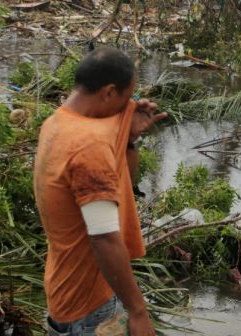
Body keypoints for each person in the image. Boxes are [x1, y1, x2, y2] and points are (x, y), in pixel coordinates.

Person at [34, 47, 167, 336]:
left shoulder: (57, 123)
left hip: (65, 290)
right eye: (126, 97)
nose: (128, 105)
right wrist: (138, 310)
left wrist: (130, 139)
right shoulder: (89, 146)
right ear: (108, 93)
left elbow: (127, 184)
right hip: (89, 308)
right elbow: (104, 238)